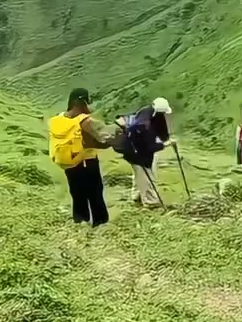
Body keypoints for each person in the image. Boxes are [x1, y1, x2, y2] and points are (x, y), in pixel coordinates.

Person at [48, 88, 115, 226]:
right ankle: (100, 222)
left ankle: (80, 220)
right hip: (87, 162)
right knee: (95, 192)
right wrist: (112, 142)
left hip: (69, 163)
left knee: (77, 192)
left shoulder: (58, 119)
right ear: (81, 102)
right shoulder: (84, 121)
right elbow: (98, 141)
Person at [115, 96, 173, 208]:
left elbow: (162, 130)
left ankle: (136, 196)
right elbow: (149, 147)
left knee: (140, 174)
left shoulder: (151, 112)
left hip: (136, 148)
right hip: (135, 151)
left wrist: (166, 139)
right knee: (146, 176)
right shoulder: (144, 126)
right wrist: (165, 144)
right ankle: (150, 202)